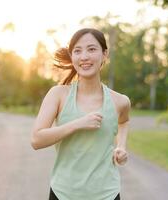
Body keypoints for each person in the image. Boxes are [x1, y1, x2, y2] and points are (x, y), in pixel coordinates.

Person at [31, 28, 131, 200]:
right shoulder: (58, 95)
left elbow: (124, 122)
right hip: (64, 193)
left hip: (107, 194)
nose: (84, 56)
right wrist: (78, 123)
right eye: (77, 51)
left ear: (104, 54)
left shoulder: (120, 101)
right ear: (72, 57)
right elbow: (36, 140)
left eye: (91, 49)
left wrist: (121, 146)